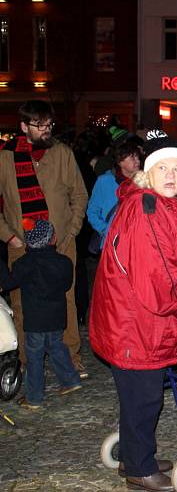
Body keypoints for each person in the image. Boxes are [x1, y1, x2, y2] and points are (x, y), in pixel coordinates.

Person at [90, 130, 177, 490]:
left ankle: (135, 455)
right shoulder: (148, 210)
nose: (171, 175)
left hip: (131, 322)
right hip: (136, 326)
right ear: (146, 173)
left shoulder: (153, 203)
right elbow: (159, 284)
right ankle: (139, 469)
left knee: (136, 396)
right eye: (162, 167)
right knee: (145, 399)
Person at [0, 100, 88, 377]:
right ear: (24, 126)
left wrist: (70, 231)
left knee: (67, 299)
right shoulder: (5, 157)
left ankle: (71, 354)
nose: (47, 130)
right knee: (22, 302)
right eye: (41, 126)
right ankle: (27, 359)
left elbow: (79, 195)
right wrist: (9, 236)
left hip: (60, 243)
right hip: (21, 244)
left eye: (50, 124)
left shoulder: (61, 153)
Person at [0, 219, 81, 410]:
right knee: (57, 347)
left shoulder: (23, 264)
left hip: (35, 322)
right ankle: (70, 380)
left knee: (34, 358)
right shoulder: (64, 263)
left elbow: (8, 283)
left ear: (28, 242)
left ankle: (34, 397)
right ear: (52, 239)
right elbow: (67, 285)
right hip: (56, 319)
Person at [86, 141, 141, 250]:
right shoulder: (104, 181)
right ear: (120, 162)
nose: (137, 161)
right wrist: (106, 230)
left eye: (138, 157)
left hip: (136, 242)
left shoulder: (143, 183)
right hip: (111, 242)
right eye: (132, 158)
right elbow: (92, 211)